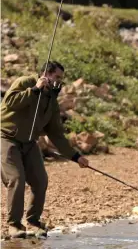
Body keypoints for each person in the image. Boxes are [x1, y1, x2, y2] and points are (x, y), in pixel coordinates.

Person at [1, 60, 89, 239]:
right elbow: (10, 102)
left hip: (30, 143)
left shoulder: (51, 101)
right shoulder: (25, 82)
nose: (59, 81)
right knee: (17, 179)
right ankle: (14, 226)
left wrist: (75, 156)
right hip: (6, 138)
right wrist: (34, 90)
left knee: (40, 180)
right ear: (46, 74)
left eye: (61, 79)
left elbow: (56, 135)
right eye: (56, 77)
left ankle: (33, 222)